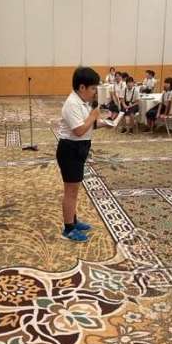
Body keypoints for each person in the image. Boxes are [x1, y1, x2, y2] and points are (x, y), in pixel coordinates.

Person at [56, 67, 107, 243]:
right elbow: (78, 130)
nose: (95, 92)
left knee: (74, 190)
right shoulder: (72, 104)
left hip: (80, 148)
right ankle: (68, 229)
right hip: (70, 150)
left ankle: (73, 220)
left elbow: (88, 125)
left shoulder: (82, 102)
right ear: (82, 87)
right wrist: (93, 116)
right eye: (93, 88)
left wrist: (106, 123)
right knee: (70, 191)